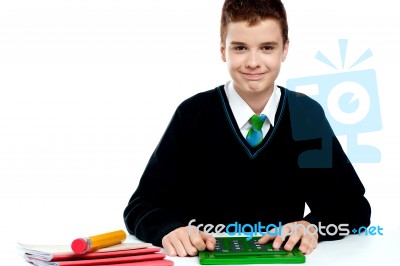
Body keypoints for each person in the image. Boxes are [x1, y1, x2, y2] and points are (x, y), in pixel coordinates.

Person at [123, 0, 371, 257]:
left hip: (280, 259)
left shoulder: (305, 115)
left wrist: (311, 226)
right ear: (223, 50)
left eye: (267, 47)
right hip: (199, 259)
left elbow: (354, 206)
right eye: (240, 48)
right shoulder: (192, 114)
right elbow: (141, 205)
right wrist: (169, 229)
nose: (253, 62)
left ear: (284, 50)